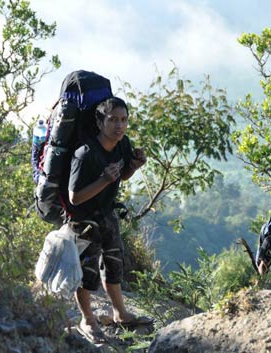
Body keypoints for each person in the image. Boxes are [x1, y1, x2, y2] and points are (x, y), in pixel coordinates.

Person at [66, 96, 151, 343]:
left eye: (124, 120)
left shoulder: (123, 145)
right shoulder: (85, 154)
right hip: (83, 221)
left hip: (107, 214)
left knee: (114, 263)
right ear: (100, 122)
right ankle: (88, 320)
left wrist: (133, 166)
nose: (119, 125)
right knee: (87, 272)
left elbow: (121, 176)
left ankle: (120, 314)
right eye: (113, 119)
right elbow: (75, 197)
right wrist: (103, 180)